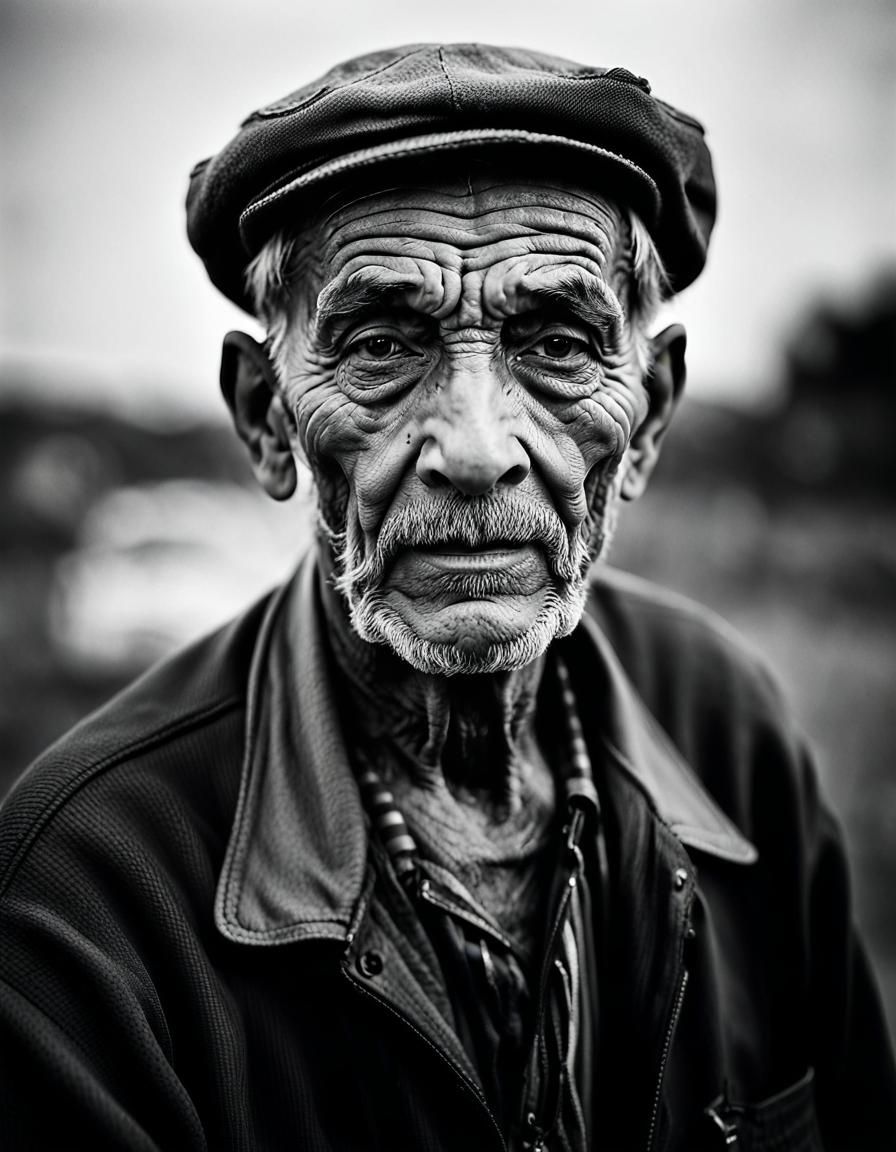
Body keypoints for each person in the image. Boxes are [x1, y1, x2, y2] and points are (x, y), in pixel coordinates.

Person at [0, 43, 893, 1152]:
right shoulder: (84, 896)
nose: (473, 448)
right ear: (267, 422)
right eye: (380, 345)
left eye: (556, 343)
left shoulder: (731, 729)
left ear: (649, 417)